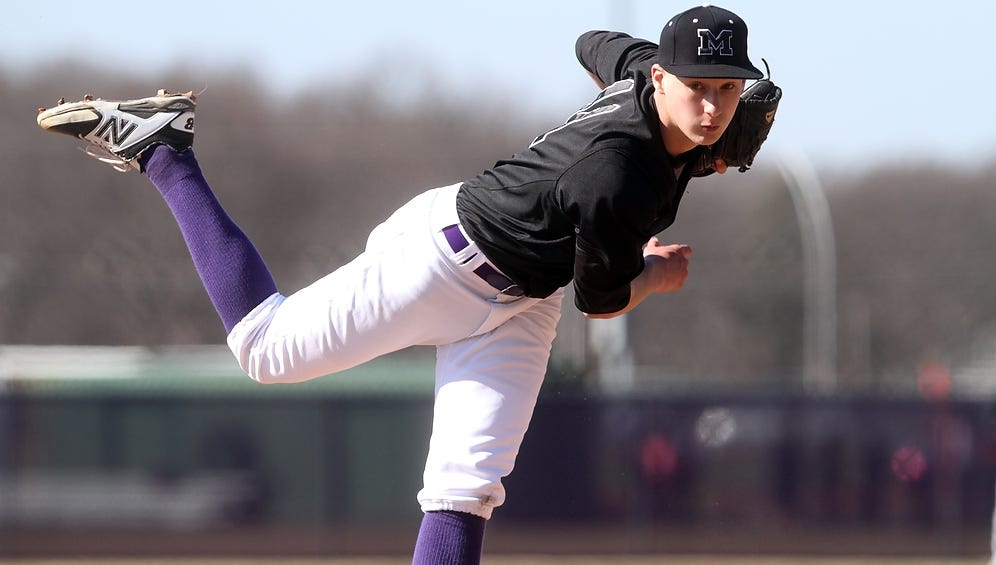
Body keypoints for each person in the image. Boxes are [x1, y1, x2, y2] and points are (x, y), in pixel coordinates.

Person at [36, 5, 766, 564]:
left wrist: (644, 109)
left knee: (466, 487)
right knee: (265, 350)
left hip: (523, 301)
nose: (712, 107)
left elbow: (592, 42)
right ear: (661, 79)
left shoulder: (644, 76)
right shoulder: (613, 176)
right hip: (441, 261)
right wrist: (654, 272)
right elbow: (602, 301)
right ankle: (165, 150)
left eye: (727, 89)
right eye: (696, 87)